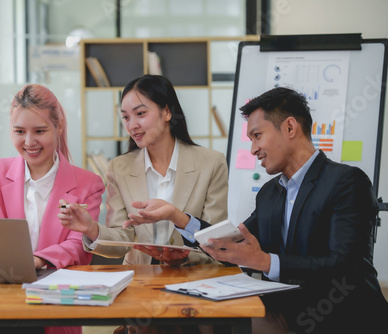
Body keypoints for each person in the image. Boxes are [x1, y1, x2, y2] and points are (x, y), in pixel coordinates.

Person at [123, 87, 388, 333]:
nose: (252, 149)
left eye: (257, 136)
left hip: (343, 315)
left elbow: (345, 266)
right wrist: (176, 216)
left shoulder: (346, 182)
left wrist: (265, 261)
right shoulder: (270, 193)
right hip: (288, 308)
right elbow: (233, 245)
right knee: (191, 320)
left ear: (290, 127)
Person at [0, 84, 105, 334]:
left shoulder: (88, 184)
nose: (29, 142)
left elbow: (79, 246)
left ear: (59, 127)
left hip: (49, 308)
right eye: (19, 131)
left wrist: (37, 260)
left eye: (40, 131)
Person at [58, 74, 228, 267]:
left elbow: (216, 240)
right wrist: (91, 229)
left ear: (166, 112)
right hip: (140, 282)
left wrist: (185, 257)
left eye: (140, 114)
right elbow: (122, 239)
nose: (132, 125)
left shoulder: (212, 163)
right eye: (125, 117)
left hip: (194, 279)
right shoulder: (119, 168)